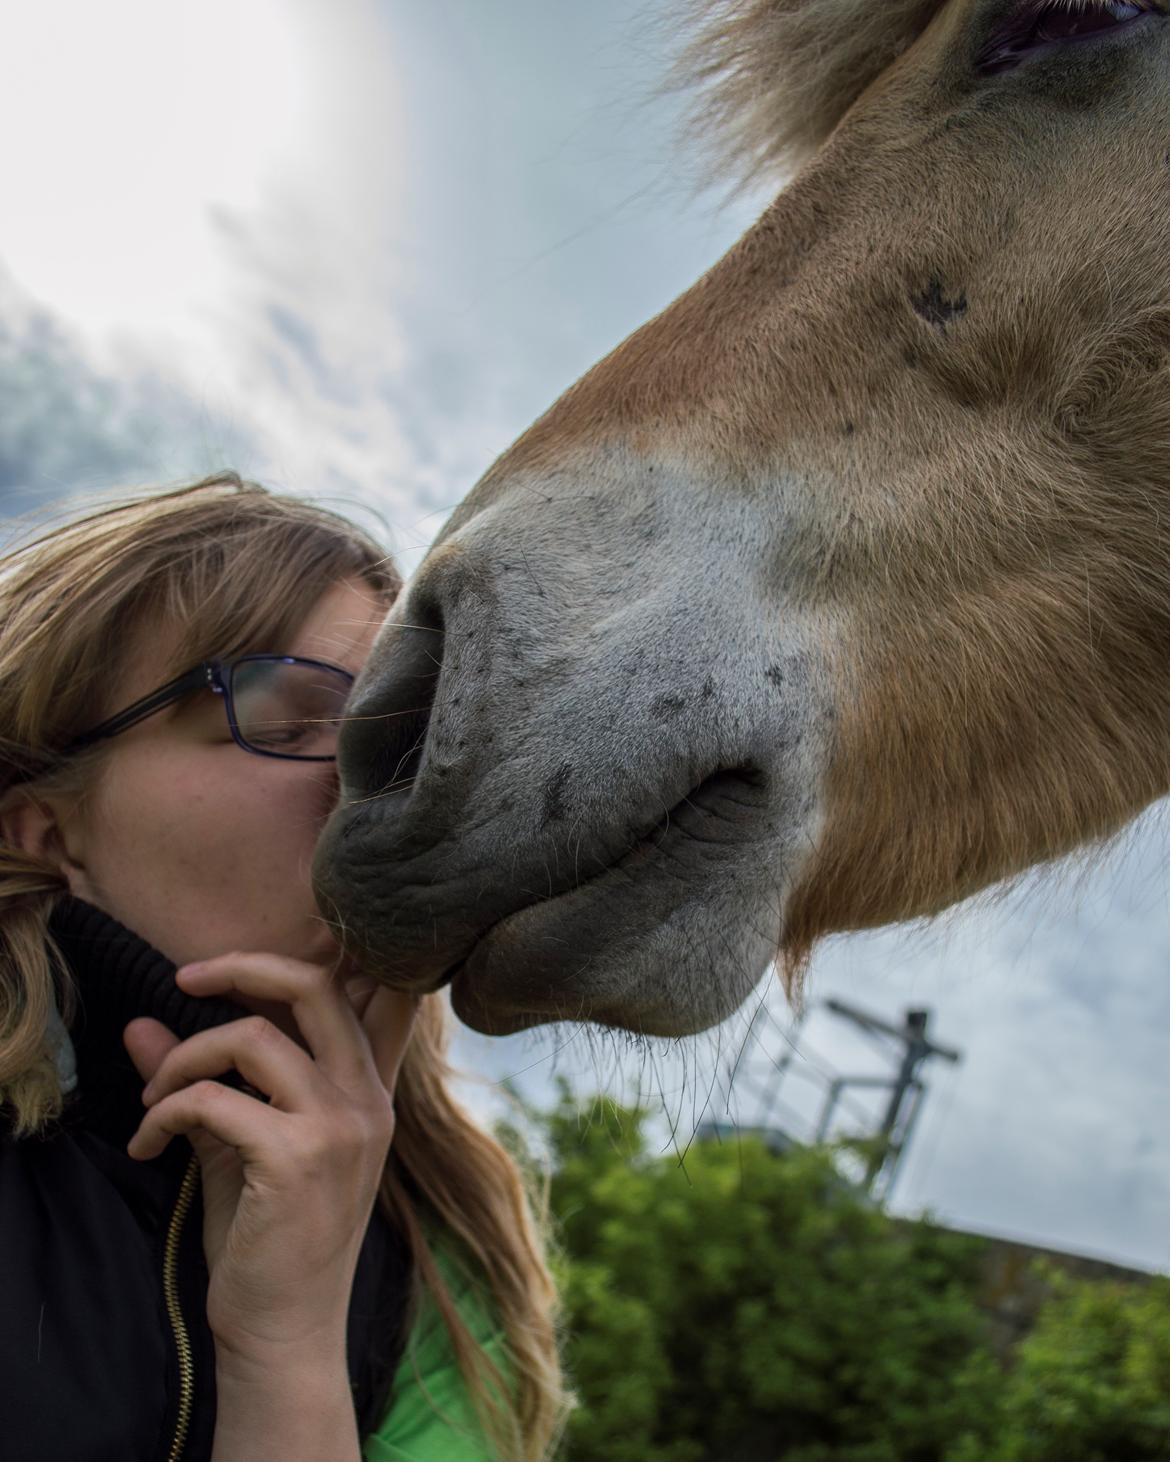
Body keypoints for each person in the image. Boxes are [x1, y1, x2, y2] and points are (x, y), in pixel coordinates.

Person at [0, 474, 570, 1461]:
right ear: (46, 827)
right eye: (285, 714)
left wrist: (288, 1347)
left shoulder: (448, 1271)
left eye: (402, 731)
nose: (372, 774)